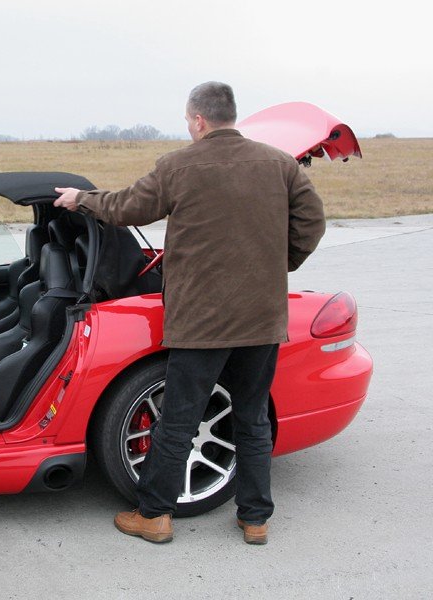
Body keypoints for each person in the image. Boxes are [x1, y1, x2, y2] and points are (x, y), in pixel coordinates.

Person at [53, 82, 325, 545]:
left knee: (178, 420)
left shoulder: (179, 165)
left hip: (202, 323)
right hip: (260, 320)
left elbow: (126, 208)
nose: (188, 126)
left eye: (187, 120)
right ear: (230, 117)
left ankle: (155, 516)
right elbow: (312, 222)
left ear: (199, 120)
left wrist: (82, 200)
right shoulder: (281, 164)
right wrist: (279, 262)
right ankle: (255, 519)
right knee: (253, 418)